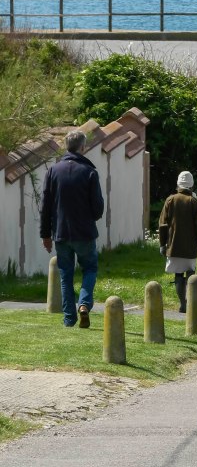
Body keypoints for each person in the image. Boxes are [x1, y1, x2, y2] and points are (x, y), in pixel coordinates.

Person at [40, 130, 105, 328]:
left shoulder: (53, 171)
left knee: (65, 275)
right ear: (83, 147)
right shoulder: (90, 172)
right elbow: (98, 208)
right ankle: (84, 304)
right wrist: (90, 217)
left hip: (60, 233)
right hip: (84, 232)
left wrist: (45, 235)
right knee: (90, 268)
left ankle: (69, 318)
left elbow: (45, 206)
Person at [158, 171, 197, 313]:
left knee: (178, 274)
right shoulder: (194, 202)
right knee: (190, 273)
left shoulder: (170, 200)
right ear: (191, 185)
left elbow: (162, 224)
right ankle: (190, 302)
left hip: (173, 245)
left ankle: (182, 303)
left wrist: (162, 244)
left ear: (178, 183)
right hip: (190, 247)